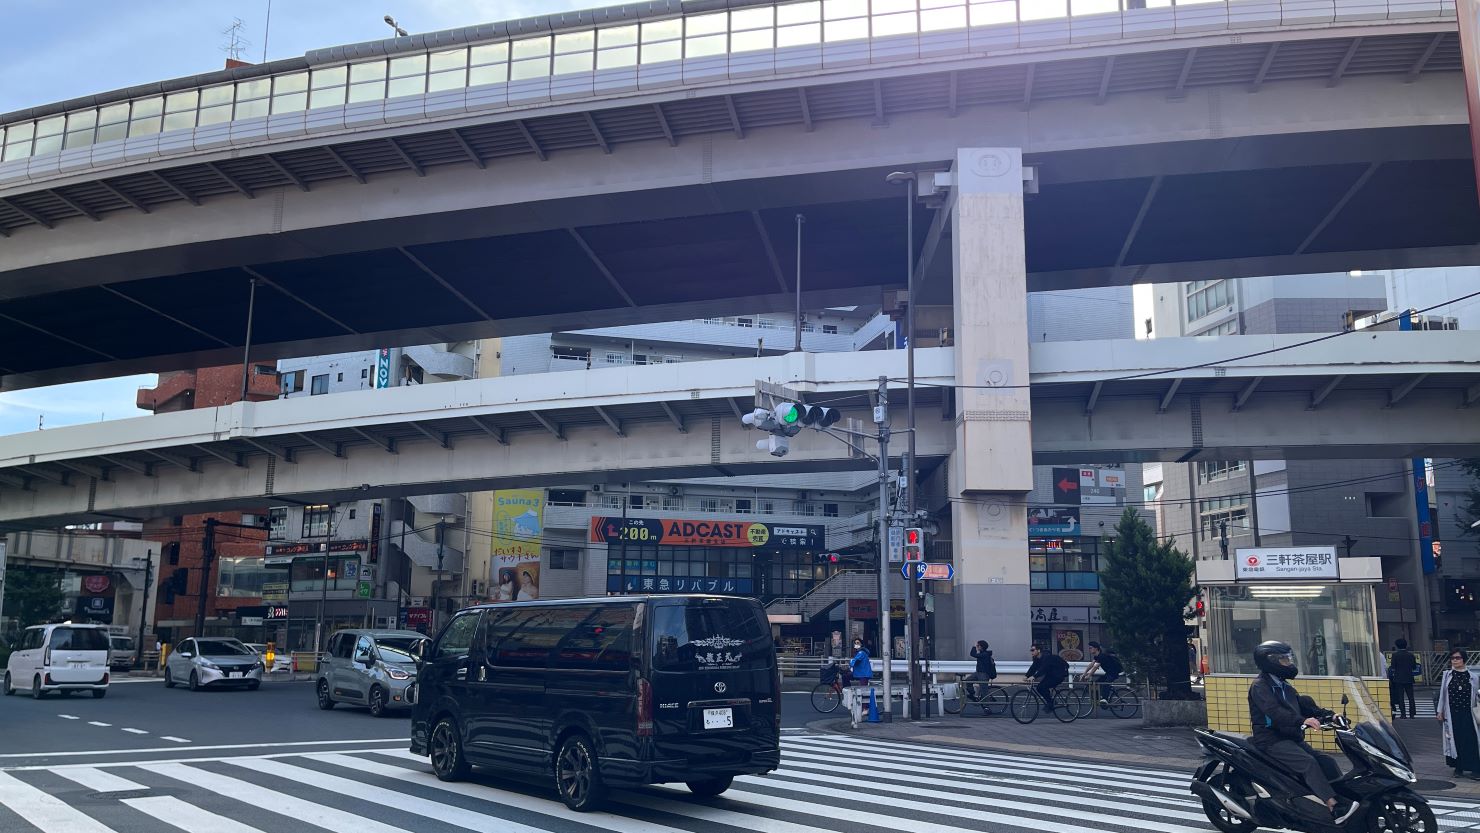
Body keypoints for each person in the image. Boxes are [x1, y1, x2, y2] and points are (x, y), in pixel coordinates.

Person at [1247, 641, 1355, 822]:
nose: (1289, 663)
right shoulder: (1260, 686)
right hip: (1271, 739)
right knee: (1308, 763)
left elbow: (1304, 705)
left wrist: (1330, 716)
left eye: (1289, 659)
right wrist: (1302, 721)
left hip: (1291, 738)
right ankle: (1332, 805)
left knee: (1326, 761)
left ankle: (1341, 797)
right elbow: (1275, 711)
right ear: (1270, 661)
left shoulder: (1285, 686)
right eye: (1284, 660)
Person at [1437, 650, 1480, 779]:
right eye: (1452, 658)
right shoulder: (1447, 675)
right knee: (1455, 739)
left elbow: (1476, 696)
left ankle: (1475, 768)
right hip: (1452, 713)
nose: (1454, 660)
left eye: (1457, 658)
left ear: (1464, 659)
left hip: (1468, 712)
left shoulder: (1473, 676)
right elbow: (1442, 695)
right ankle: (1458, 768)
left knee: (1471, 739)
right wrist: (1440, 711)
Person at [1024, 644, 1068, 709]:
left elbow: (1044, 669)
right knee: (1040, 687)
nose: (1031, 652)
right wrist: (1026, 676)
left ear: (1038, 650)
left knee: (1042, 686)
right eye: (1031, 650)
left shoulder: (1046, 657)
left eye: (1033, 650)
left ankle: (1050, 703)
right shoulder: (1037, 659)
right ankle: (1051, 701)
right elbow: (1033, 667)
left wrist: (1034, 676)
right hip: (1051, 674)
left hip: (1059, 674)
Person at [1388, 639, 1418, 719]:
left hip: (1398, 678)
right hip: (1409, 677)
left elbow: (1393, 667)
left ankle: (1403, 714)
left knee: (1400, 697)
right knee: (1411, 697)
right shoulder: (1410, 655)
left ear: (1397, 646)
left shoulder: (1395, 655)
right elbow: (1414, 666)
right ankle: (1412, 714)